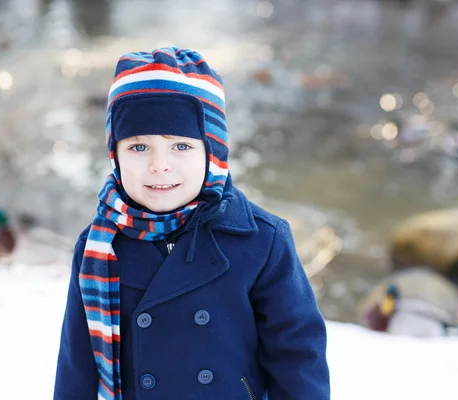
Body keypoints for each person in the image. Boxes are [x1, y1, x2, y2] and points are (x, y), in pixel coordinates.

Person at [53, 47, 330, 400]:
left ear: (212, 153)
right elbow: (77, 365)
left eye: (181, 146)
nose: (159, 165)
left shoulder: (262, 241)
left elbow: (298, 358)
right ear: (115, 156)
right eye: (139, 147)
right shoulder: (99, 246)